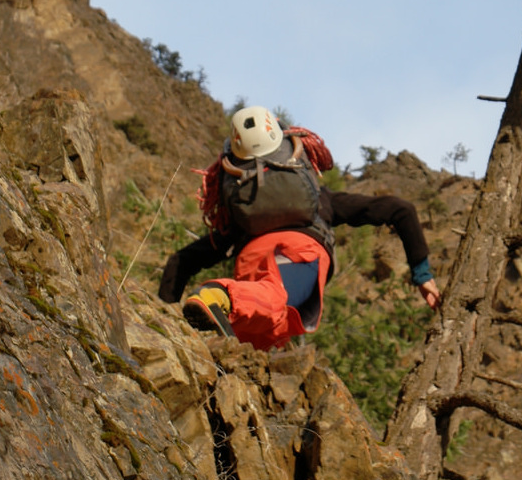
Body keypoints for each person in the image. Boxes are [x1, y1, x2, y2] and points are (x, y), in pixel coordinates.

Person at [158, 106, 441, 350]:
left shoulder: (241, 221)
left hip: (249, 258)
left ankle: (234, 364)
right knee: (278, 304)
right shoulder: (320, 201)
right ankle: (220, 294)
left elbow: (181, 260)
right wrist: (422, 274)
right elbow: (401, 210)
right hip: (301, 253)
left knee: (257, 336)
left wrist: (163, 317)